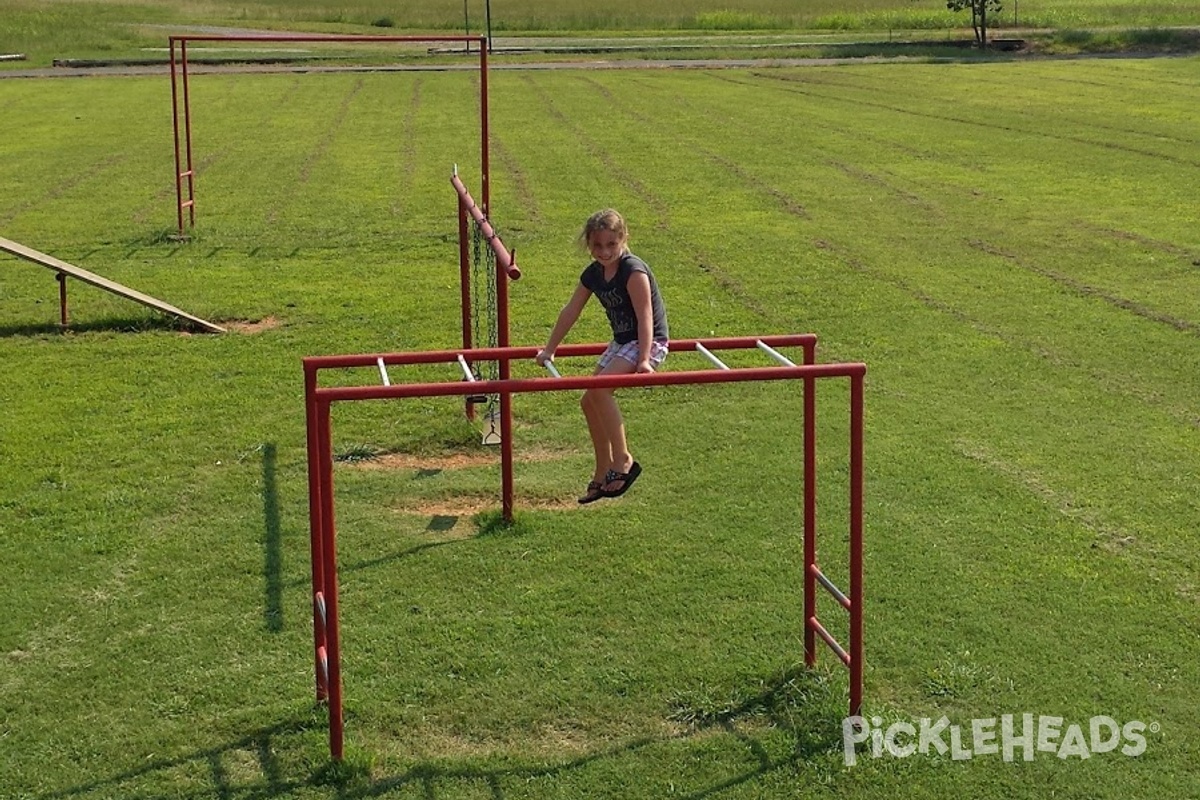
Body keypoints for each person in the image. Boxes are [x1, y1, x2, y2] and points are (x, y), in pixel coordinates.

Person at [535, 209, 670, 504]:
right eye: (598, 246)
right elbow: (571, 310)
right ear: (589, 245)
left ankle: (623, 461)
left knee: (599, 390)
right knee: (588, 400)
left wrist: (645, 359)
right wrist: (550, 348)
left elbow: (645, 317)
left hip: (647, 342)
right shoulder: (593, 274)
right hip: (622, 342)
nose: (605, 252)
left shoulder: (632, 270)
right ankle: (602, 469)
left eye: (611, 244)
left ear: (623, 239)